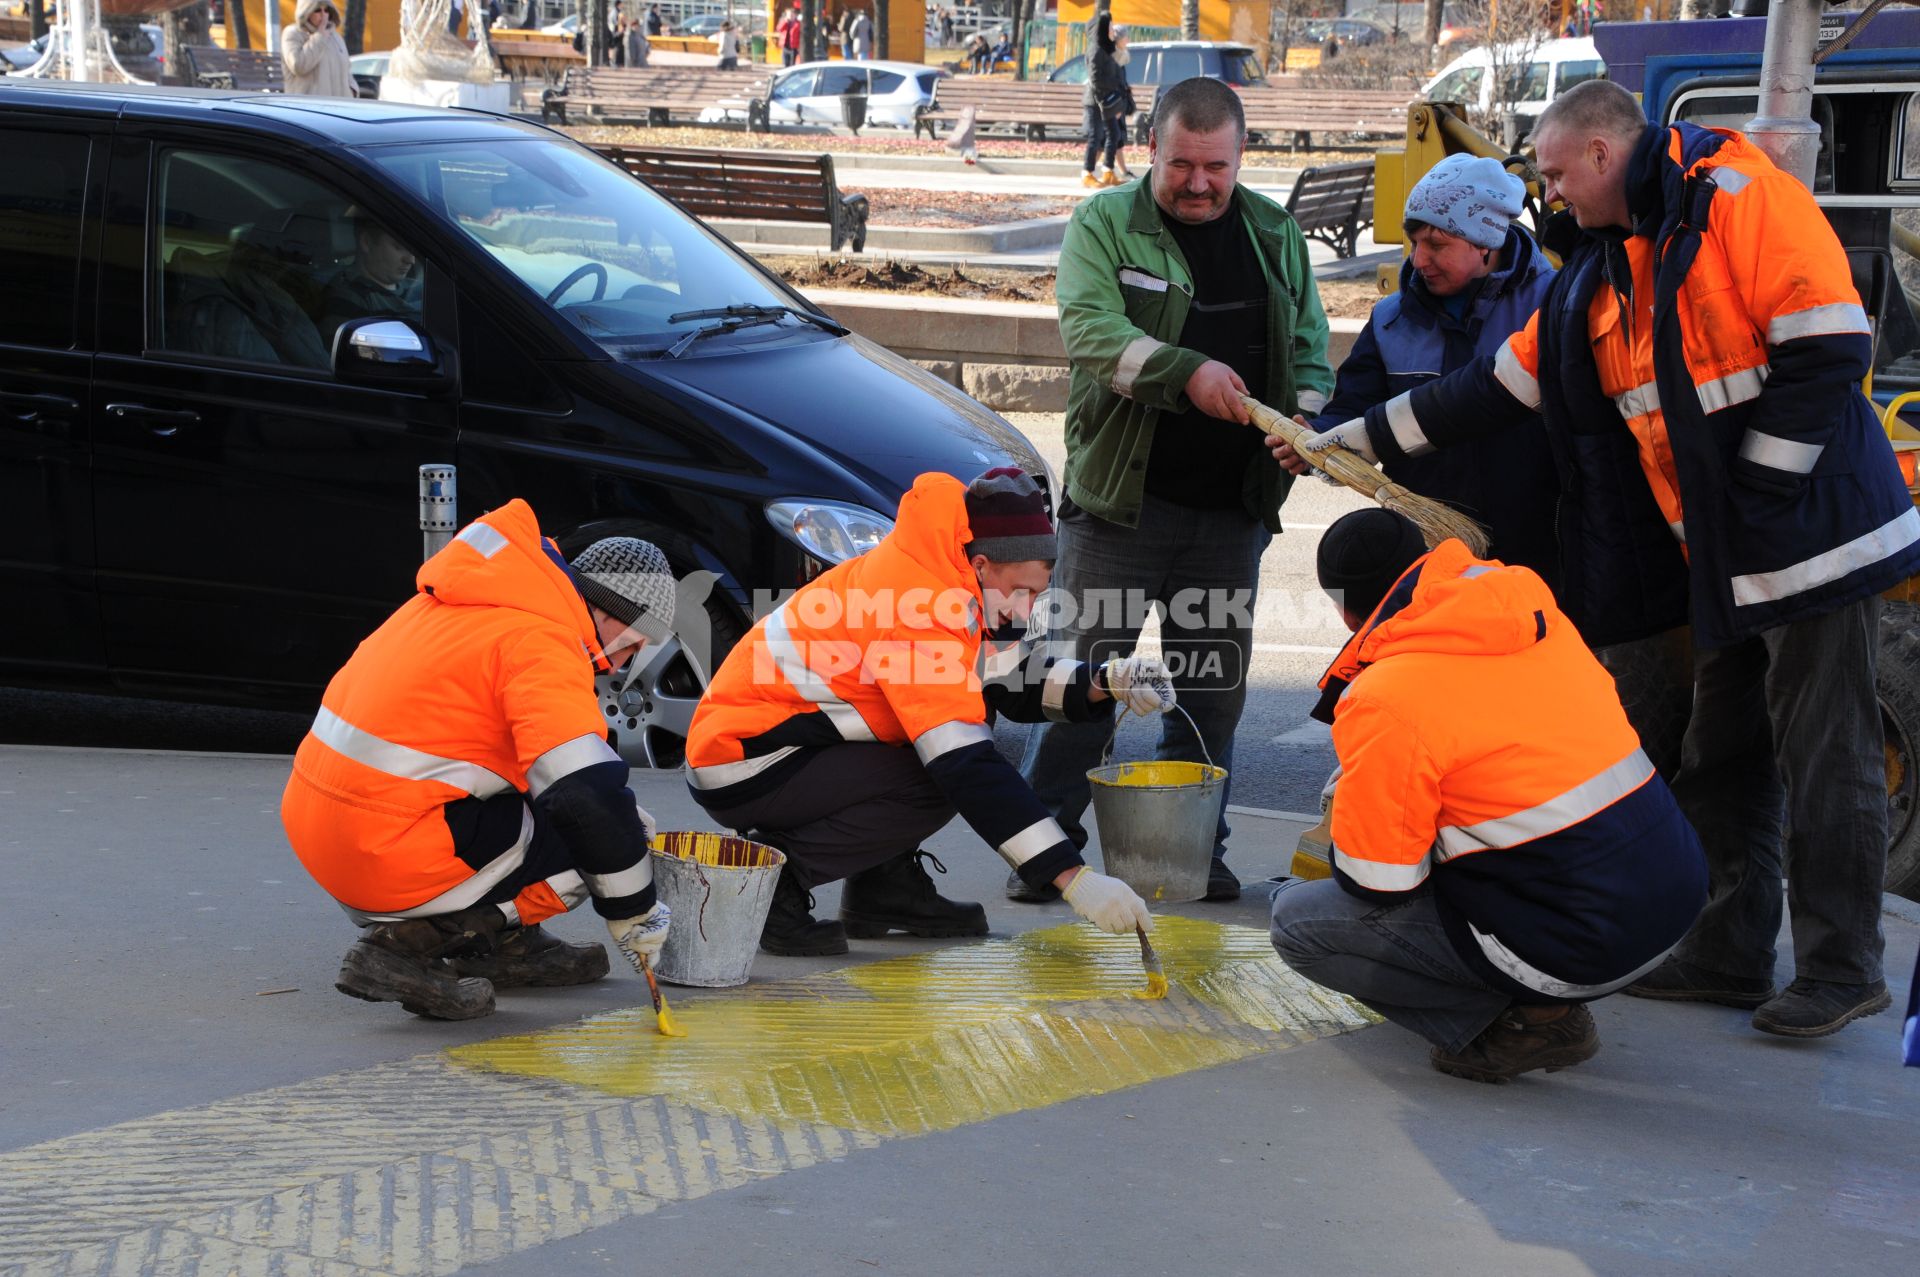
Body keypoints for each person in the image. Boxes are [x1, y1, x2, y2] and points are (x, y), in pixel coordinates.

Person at [1277, 79, 1915, 1038]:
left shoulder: (1736, 196)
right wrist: (1353, 439)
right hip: (1733, 558)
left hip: (1812, 544)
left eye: (1556, 173)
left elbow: (1827, 347)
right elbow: (1489, 390)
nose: (1549, 195)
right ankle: (1728, 952)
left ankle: (1842, 967)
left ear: (1604, 156)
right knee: (1721, 753)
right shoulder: (1610, 267)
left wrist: (1759, 500)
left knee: (1824, 752)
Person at [1021, 76, 1334, 907]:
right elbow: (1092, 332)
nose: (1199, 184)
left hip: (1231, 513)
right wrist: (1185, 373)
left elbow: (1307, 340)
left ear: (1239, 159)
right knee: (1077, 687)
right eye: (1181, 165)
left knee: (1211, 699)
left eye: (1216, 167)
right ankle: (1044, 848)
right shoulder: (1104, 223)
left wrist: (1301, 421)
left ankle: (1199, 849)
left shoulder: (1273, 230)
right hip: (1120, 506)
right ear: (1150, 150)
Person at [1270, 510, 1709, 1083]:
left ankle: (1530, 1023)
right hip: (1673, 901)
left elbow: (1377, 882)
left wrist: (1364, 805)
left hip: (1584, 944)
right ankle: (1534, 994)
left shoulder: (1387, 695)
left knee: (1299, 923)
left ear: (1345, 609)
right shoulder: (1532, 615)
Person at [685, 468, 1171, 956]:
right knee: (939, 771)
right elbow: (967, 767)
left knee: (955, 730)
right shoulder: (918, 608)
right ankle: (777, 882)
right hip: (743, 763)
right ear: (982, 565)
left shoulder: (945, 571)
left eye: (1036, 596)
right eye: (1021, 592)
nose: (1025, 613)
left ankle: (884, 889)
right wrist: (1074, 879)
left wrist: (1106, 681)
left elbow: (1005, 679)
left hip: (771, 744)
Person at [280, 502, 676, 1021]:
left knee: (542, 785)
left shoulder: (460, 604)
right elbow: (588, 798)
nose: (622, 666)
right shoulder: (541, 641)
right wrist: (637, 914)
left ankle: (505, 946)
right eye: (632, 646)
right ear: (607, 614)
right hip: (384, 852)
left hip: (326, 834)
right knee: (620, 830)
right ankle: (410, 949)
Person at [1303, 154, 1560, 582]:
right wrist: (1319, 433)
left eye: (1437, 244)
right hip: (1425, 551)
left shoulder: (1551, 307)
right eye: (1414, 240)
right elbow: (1355, 404)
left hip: (1536, 553)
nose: (1419, 260)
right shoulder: (1390, 320)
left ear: (1486, 243)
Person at [317, 212, 423, 347]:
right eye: (399, 247)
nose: (411, 260)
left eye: (411, 249)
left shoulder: (419, 287)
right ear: (366, 242)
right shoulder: (348, 298)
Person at [1080, 15, 1127, 188]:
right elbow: (1095, 78)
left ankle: (1108, 171)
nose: (1112, 30)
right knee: (1095, 137)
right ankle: (1087, 173)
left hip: (1107, 100)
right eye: (1109, 27)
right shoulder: (1095, 49)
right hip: (1095, 101)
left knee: (1114, 134)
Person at [281, 0, 353, 99]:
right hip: (308, 109)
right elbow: (298, 65)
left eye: (327, 10)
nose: (324, 15)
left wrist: (352, 90)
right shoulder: (292, 33)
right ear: (306, 12)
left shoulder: (335, 37)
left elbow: (346, 69)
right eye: (318, 10)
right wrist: (320, 36)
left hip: (338, 108)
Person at [778, 2, 801, 67]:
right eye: (789, 15)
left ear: (795, 15)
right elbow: (779, 29)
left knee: (792, 64)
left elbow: (800, 34)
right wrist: (785, 21)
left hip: (793, 47)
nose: (790, 16)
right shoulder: (785, 22)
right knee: (785, 64)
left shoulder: (797, 24)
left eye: (792, 15)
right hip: (785, 46)